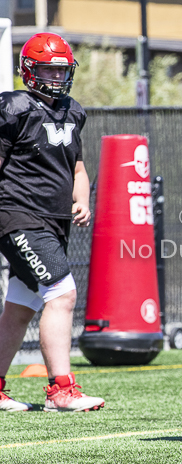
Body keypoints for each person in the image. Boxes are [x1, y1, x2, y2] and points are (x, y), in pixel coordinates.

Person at [0, 33, 105, 412]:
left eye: (61, 71)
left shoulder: (73, 111)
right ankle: (61, 389)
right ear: (29, 70)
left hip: (53, 220)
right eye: (48, 69)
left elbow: (77, 166)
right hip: (18, 213)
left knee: (21, 304)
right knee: (62, 293)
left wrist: (82, 198)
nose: (56, 78)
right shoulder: (13, 107)